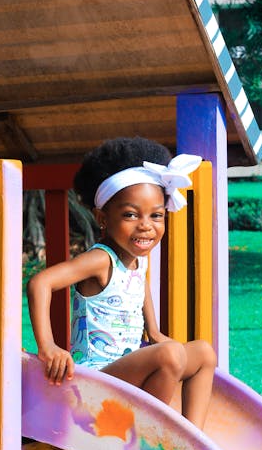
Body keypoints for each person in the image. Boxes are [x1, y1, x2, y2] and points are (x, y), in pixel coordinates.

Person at [27, 136, 217, 430]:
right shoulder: (101, 260)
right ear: (102, 218)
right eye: (131, 215)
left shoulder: (137, 260)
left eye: (156, 215)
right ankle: (149, 432)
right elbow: (41, 282)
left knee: (204, 352)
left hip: (127, 372)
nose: (145, 225)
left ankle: (194, 438)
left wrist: (153, 330)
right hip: (94, 380)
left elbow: (140, 290)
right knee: (171, 354)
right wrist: (48, 347)